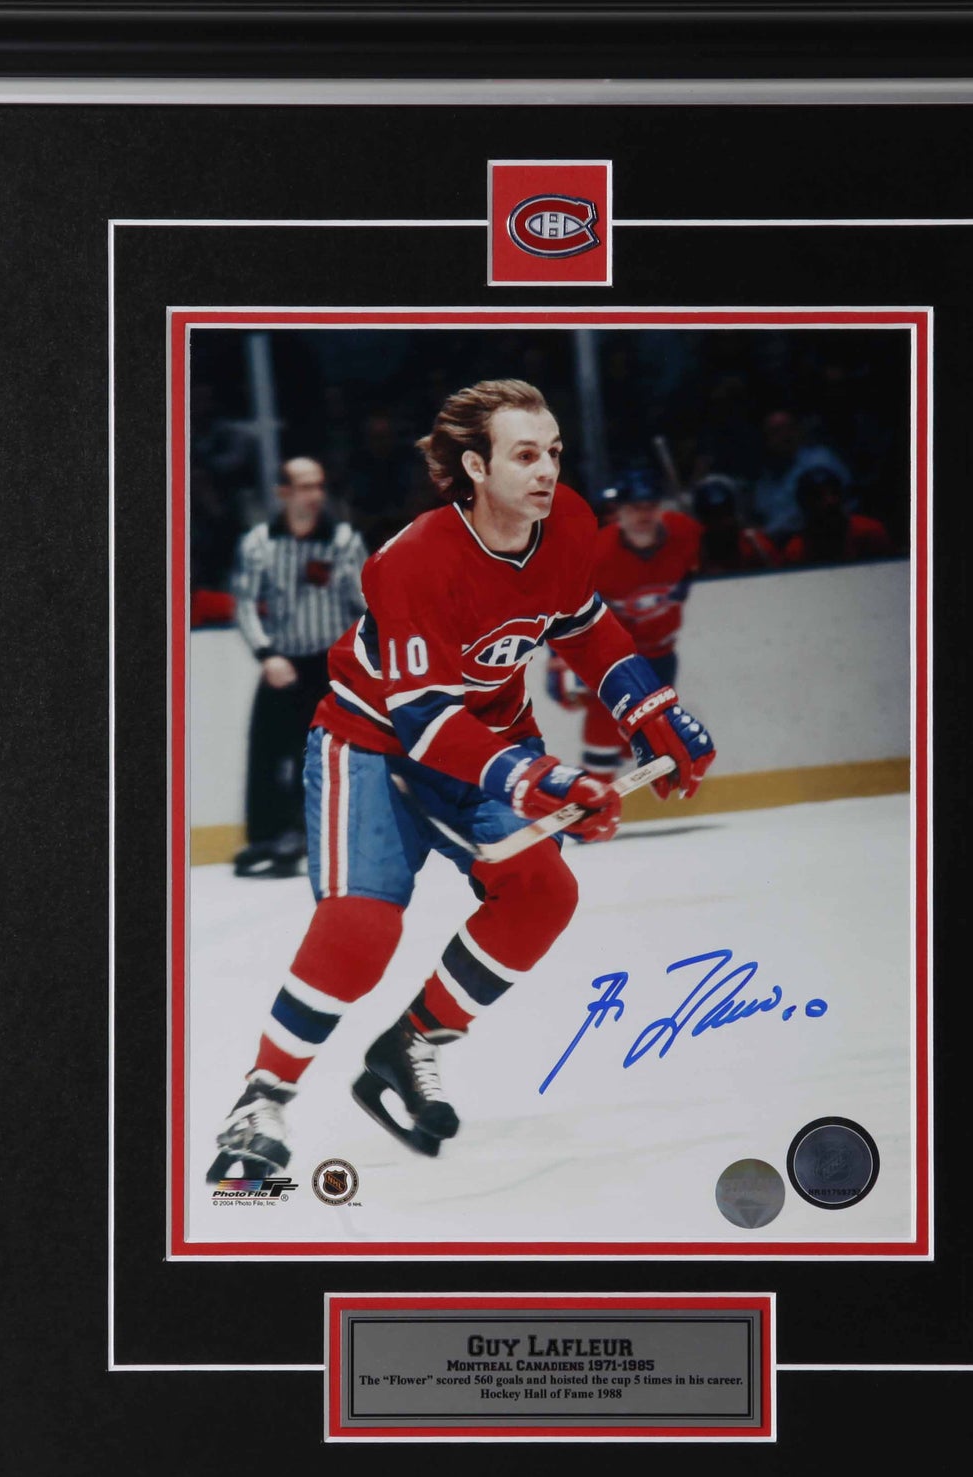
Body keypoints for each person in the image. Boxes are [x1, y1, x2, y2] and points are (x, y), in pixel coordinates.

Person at [206, 380, 715, 1178]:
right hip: (372, 741)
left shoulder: (567, 521)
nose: (547, 470)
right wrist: (538, 778)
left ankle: (410, 1043)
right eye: (525, 454)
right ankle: (261, 1095)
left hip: (489, 736)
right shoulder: (410, 561)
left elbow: (582, 623)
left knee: (543, 892)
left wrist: (649, 707)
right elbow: (424, 721)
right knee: (362, 924)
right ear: (475, 467)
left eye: (553, 452)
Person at [232, 457, 367, 877]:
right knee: (265, 750)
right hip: (281, 659)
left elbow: (363, 604)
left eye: (319, 486)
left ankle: (301, 833)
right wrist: (266, 654)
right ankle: (264, 836)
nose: (315, 495)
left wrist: (356, 661)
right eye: (305, 487)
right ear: (283, 493)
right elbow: (244, 604)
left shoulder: (342, 541)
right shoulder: (260, 543)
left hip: (327, 664)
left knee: (316, 753)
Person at [547, 465, 703, 780]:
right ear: (618, 511)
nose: (643, 514)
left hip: (661, 653)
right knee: (605, 724)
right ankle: (593, 792)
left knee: (644, 736)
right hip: (613, 658)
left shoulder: (686, 533)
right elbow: (562, 605)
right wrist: (558, 660)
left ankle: (606, 781)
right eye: (634, 507)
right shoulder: (596, 554)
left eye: (650, 505)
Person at [751, 409, 851, 543]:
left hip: (825, 537)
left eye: (789, 428)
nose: (785, 435)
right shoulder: (767, 478)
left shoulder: (821, 460)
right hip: (780, 545)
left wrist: (768, 533)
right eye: (776, 431)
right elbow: (761, 514)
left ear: (799, 431)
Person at [780, 467, 893, 565]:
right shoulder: (797, 550)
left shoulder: (869, 531)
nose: (830, 501)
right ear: (804, 504)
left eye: (834, 493)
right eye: (818, 496)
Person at [691, 474, 779, 575]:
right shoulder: (693, 551)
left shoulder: (754, 544)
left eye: (723, 513)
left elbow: (779, 577)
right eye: (710, 515)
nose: (717, 522)